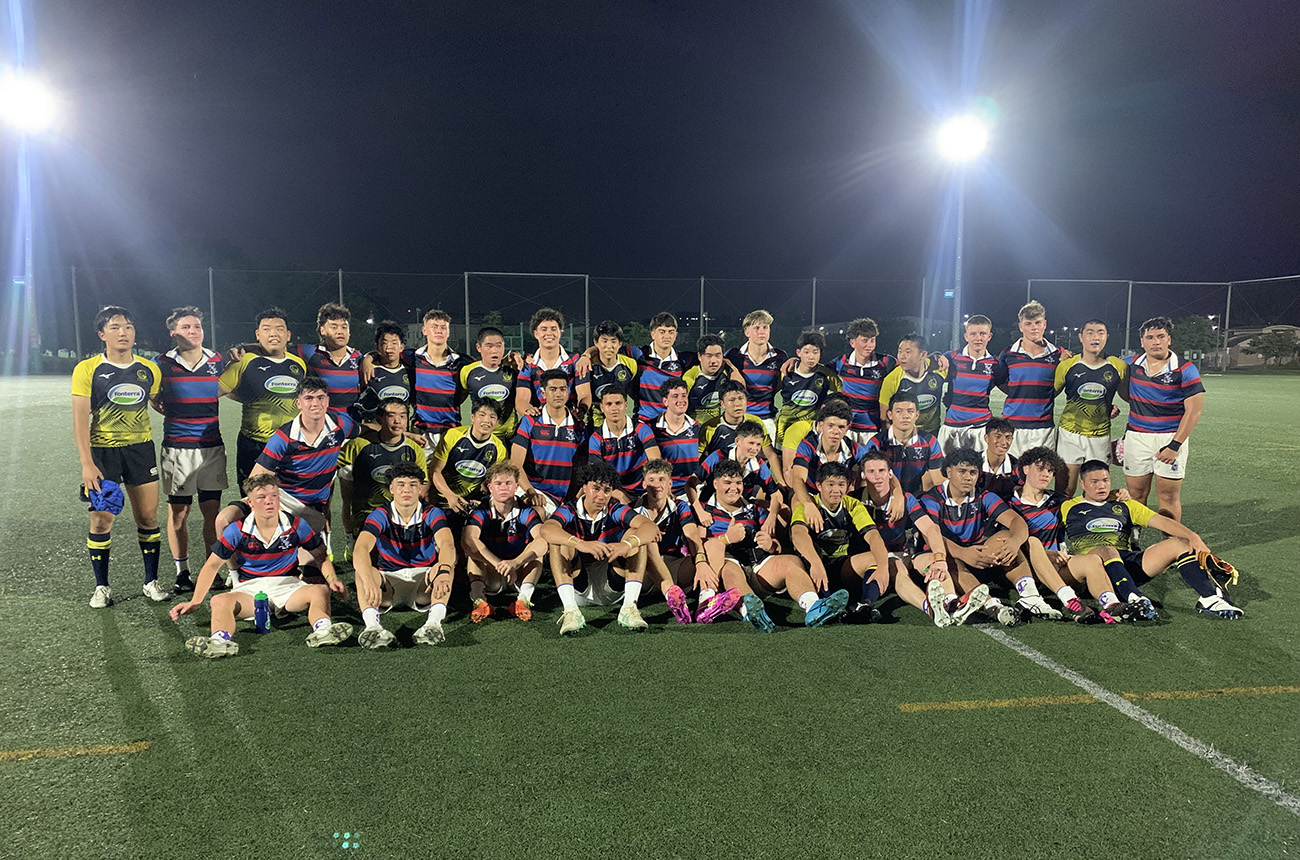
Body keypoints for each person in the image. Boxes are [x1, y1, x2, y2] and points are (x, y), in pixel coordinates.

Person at [170, 473, 352, 657]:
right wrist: (196, 601)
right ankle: (220, 641)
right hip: (250, 589)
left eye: (274, 496)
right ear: (250, 503)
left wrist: (332, 581)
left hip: (288, 586)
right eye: (262, 497)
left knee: (320, 590)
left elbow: (321, 556)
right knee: (219, 600)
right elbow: (212, 566)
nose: (269, 501)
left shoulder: (296, 524)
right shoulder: (237, 530)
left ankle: (323, 631)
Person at [1062, 459, 1242, 620]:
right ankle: (1134, 598)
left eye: (1105, 480)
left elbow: (1162, 521)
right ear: (1082, 484)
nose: (1101, 486)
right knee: (1106, 550)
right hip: (1091, 571)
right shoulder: (1067, 507)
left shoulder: (1124, 504)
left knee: (1180, 544)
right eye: (1094, 482)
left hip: (1124, 563)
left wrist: (1193, 537)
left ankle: (1209, 598)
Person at [73, 305, 167, 607]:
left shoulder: (149, 369)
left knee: (149, 517)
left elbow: (154, 401)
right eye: (115, 327)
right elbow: (79, 419)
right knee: (101, 521)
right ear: (102, 334)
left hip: (141, 450)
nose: (123, 332)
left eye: (127, 326)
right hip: (103, 453)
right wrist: (87, 464)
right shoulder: (88, 369)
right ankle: (102, 587)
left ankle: (151, 582)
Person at [701, 459, 849, 632]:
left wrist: (771, 544)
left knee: (790, 562)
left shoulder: (754, 508)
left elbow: (776, 545)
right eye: (727, 482)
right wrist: (726, 538)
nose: (733, 487)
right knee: (730, 571)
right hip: (726, 564)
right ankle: (752, 612)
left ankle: (813, 607)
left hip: (757, 565)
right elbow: (698, 547)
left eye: (738, 482)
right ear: (715, 483)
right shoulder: (704, 511)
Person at [917, 448, 1058, 625]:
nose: (968, 477)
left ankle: (1030, 596)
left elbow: (1016, 521)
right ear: (948, 472)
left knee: (1006, 537)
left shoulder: (983, 496)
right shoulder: (931, 499)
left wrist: (1014, 542)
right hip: (944, 559)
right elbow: (931, 535)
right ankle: (994, 607)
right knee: (952, 561)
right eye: (962, 471)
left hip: (978, 557)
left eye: (973, 472)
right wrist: (963, 552)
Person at [858, 449, 989, 627]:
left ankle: (952, 603)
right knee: (896, 566)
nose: (877, 477)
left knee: (931, 561)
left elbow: (930, 528)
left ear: (890, 474)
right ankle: (929, 608)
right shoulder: (855, 500)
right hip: (868, 560)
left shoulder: (905, 498)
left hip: (900, 555)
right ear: (863, 475)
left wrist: (939, 558)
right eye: (871, 472)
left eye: (881, 471)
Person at [538, 462, 661, 634]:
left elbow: (649, 527)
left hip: (612, 585)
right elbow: (546, 529)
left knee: (636, 536)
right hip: (578, 587)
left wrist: (626, 545)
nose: (601, 496)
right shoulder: (570, 509)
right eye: (596, 488)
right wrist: (580, 544)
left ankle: (629, 608)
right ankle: (570, 611)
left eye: (607, 490)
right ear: (584, 487)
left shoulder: (614, 509)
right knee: (558, 541)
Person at [154, 306, 226, 593]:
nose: (193, 331)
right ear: (173, 333)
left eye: (197, 326)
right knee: (179, 514)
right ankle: (182, 572)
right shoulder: (161, 362)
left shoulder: (217, 360)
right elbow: (152, 394)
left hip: (211, 447)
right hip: (177, 449)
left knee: (212, 512)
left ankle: (212, 571)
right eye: (186, 327)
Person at [250, 376, 360, 560]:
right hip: (284, 502)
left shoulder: (340, 425)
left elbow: (366, 430)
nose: (315, 403)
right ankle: (238, 572)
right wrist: (269, 508)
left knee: (310, 572)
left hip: (312, 511)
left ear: (327, 401)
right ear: (299, 403)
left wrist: (405, 434)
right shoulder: (284, 437)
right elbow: (256, 478)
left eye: (320, 397)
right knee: (225, 519)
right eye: (309, 398)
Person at [351, 462, 457, 648]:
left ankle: (433, 625)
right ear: (392, 488)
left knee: (445, 567)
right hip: (389, 583)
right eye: (400, 484)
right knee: (362, 572)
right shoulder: (380, 514)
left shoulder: (432, 512)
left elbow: (447, 543)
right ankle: (373, 628)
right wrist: (368, 580)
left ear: (420, 488)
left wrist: (444, 572)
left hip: (423, 583)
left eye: (413, 484)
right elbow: (360, 549)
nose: (406, 489)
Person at [1006, 447, 1105, 623]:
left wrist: (1115, 494)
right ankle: (1070, 600)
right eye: (1041, 469)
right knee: (1033, 541)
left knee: (1093, 560)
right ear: (1026, 469)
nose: (1046, 474)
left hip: (1057, 567)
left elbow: (1087, 504)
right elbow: (1008, 542)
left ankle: (1112, 606)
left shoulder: (1057, 500)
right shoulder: (1008, 503)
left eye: (1050, 471)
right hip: (1027, 569)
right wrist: (1047, 554)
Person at [634, 458, 739, 624]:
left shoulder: (680, 506)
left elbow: (691, 534)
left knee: (714, 544)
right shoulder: (634, 509)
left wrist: (701, 562)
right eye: (651, 480)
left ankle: (706, 602)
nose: (657, 485)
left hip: (674, 567)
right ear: (644, 484)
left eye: (661, 479)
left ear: (670, 484)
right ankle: (670, 594)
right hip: (644, 572)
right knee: (646, 543)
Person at [1120, 316, 1204, 521]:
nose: (1155, 341)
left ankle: (1171, 546)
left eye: (1160, 336)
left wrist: (1174, 446)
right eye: (1150, 337)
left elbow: (1194, 411)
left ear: (1169, 339)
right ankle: (1134, 543)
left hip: (1170, 437)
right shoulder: (1129, 364)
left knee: (1168, 496)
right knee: (1136, 495)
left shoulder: (1185, 369)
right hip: (1137, 437)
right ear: (1142, 342)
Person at [789, 463, 890, 621]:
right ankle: (827, 605)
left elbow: (873, 536)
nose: (836, 490)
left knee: (877, 557)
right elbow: (798, 535)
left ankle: (865, 606)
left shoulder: (852, 505)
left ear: (848, 486)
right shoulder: (808, 507)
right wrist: (816, 563)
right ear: (819, 486)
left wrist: (883, 567)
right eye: (830, 484)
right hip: (815, 566)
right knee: (804, 557)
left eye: (841, 484)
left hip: (842, 566)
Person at [218, 307, 307, 484]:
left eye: (279, 329)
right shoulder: (243, 362)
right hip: (254, 443)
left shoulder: (299, 364)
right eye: (266, 329)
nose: (273, 334)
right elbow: (216, 391)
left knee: (290, 498)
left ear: (288, 335)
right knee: (253, 499)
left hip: (290, 444)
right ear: (257, 334)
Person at [461, 461, 548, 623]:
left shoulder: (525, 510)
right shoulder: (481, 511)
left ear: (516, 487)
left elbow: (543, 541)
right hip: (493, 570)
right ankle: (480, 602)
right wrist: (499, 563)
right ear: (490, 488)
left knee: (537, 552)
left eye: (508, 483)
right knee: (473, 550)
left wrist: (515, 562)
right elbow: (468, 541)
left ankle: (523, 601)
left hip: (519, 569)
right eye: (498, 483)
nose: (503, 487)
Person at [337, 398, 428, 549]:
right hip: (365, 516)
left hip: (398, 515)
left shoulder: (414, 449)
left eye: (402, 416)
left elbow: (421, 485)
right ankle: (351, 541)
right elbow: (329, 465)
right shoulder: (358, 445)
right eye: (391, 416)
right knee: (366, 561)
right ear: (379, 419)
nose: (397, 421)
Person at [1055, 319, 1128, 496]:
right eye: (1090, 332)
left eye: (1100, 333)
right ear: (1081, 337)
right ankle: (1060, 523)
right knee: (1065, 489)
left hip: (1100, 436)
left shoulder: (1119, 366)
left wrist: (1109, 407)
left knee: (1097, 489)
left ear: (1107, 337)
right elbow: (1048, 395)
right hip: (1069, 434)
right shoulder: (1067, 365)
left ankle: (1088, 522)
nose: (1095, 337)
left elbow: (1129, 397)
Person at [992, 300, 1064, 457]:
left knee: (1039, 476)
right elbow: (1001, 381)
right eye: (1028, 323)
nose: (1034, 327)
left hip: (1043, 427)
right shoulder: (1008, 353)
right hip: (1012, 425)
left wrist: (1046, 394)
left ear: (1044, 324)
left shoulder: (1058, 354)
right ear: (1021, 326)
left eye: (1038, 322)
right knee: (1012, 477)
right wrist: (1017, 392)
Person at [511, 369, 583, 514]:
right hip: (533, 490)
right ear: (543, 393)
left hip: (561, 498)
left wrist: (574, 498)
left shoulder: (579, 426)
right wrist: (530, 492)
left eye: (562, 389)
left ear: (568, 391)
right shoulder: (530, 421)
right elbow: (515, 465)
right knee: (537, 514)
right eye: (553, 389)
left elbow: (581, 468)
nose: (558, 394)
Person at [697, 421, 782, 541]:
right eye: (751, 443)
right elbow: (690, 484)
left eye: (758, 445)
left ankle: (774, 547)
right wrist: (699, 510)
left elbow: (776, 494)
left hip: (742, 503)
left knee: (783, 513)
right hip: (712, 505)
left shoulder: (758, 464)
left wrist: (772, 517)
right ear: (737, 441)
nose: (755, 448)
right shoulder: (718, 456)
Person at [427, 399, 507, 526]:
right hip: (443, 502)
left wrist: (483, 502)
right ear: (472, 417)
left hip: (471, 504)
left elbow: (491, 483)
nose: (487, 421)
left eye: (492, 417)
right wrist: (449, 496)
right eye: (482, 415)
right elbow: (435, 471)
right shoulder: (452, 436)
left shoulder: (499, 448)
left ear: (497, 422)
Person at [788, 399, 865, 529]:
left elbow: (880, 467)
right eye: (830, 426)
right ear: (821, 425)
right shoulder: (807, 446)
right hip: (812, 493)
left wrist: (896, 493)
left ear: (847, 429)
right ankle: (800, 543)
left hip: (840, 494)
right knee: (797, 501)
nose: (835, 431)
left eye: (841, 427)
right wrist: (808, 504)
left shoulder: (854, 448)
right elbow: (798, 478)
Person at [776, 330, 843, 478]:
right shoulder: (786, 372)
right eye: (807, 352)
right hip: (785, 426)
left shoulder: (826, 375)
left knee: (810, 465)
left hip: (811, 427)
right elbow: (770, 392)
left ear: (821, 354)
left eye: (815, 352)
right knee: (785, 467)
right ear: (798, 352)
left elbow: (843, 392)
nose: (811, 356)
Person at [586, 384, 662, 500]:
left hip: (644, 489)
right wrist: (618, 494)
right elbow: (597, 476)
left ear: (626, 405)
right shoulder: (596, 439)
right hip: (614, 493)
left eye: (618, 403)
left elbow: (655, 461)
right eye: (608, 404)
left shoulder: (641, 429)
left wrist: (654, 488)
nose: (614, 408)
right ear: (602, 407)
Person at [515, 307, 591, 420]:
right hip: (540, 422)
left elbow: (584, 394)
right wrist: (528, 410)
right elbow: (521, 399)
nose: (549, 333)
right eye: (544, 329)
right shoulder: (527, 365)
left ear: (560, 333)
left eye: (553, 329)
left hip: (569, 421)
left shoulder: (575, 361)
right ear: (536, 334)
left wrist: (582, 409)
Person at [832, 317, 898, 446]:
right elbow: (816, 369)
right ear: (853, 343)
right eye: (865, 340)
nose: (870, 345)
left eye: (873, 340)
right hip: (848, 427)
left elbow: (909, 365)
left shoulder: (885, 362)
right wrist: (794, 360)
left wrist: (934, 357)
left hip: (873, 429)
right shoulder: (842, 362)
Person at [725, 309, 787, 446]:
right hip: (741, 418)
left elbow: (780, 384)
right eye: (757, 328)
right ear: (747, 332)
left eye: (765, 327)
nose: (762, 331)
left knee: (765, 462)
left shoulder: (779, 357)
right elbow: (721, 363)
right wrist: (732, 368)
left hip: (767, 419)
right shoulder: (734, 355)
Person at [938, 314, 998, 454]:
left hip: (981, 427)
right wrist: (936, 355)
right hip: (952, 426)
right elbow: (929, 364)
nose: (978, 338)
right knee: (946, 471)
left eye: (983, 333)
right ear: (966, 336)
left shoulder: (995, 363)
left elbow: (1007, 386)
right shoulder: (951, 357)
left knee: (977, 472)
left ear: (989, 336)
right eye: (973, 334)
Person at [865, 392, 944, 498]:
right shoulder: (876, 443)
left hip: (916, 498)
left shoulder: (930, 442)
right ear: (890, 415)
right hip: (884, 498)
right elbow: (868, 481)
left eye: (910, 411)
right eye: (899, 411)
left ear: (917, 415)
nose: (905, 416)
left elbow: (938, 481)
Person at [699, 379, 781, 479]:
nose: (737, 404)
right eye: (732, 400)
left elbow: (770, 454)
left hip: (748, 478)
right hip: (720, 480)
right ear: (722, 404)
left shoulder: (756, 422)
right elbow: (697, 458)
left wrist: (781, 482)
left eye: (741, 398)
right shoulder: (710, 427)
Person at [293, 302, 362, 419]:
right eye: (334, 327)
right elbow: (276, 349)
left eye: (344, 327)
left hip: (353, 420)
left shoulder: (358, 357)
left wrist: (369, 358)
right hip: (321, 422)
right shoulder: (309, 352)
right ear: (322, 330)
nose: (340, 331)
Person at [459, 325, 523, 443]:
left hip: (509, 435)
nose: (494, 351)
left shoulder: (513, 369)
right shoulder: (467, 371)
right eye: (489, 346)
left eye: (499, 346)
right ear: (479, 347)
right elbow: (459, 399)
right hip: (482, 435)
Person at [879, 333, 947, 436]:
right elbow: (884, 418)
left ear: (923, 355)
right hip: (904, 435)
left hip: (932, 434)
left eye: (908, 352)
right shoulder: (892, 379)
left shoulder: (939, 368)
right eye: (900, 351)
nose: (902, 356)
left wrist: (938, 355)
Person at [648, 377, 701, 496]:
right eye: (675, 396)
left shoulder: (697, 427)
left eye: (684, 395)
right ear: (665, 401)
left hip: (692, 490)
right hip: (662, 491)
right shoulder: (651, 429)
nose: (681, 400)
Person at [354, 321, 414, 419]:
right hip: (374, 430)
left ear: (401, 347)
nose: (389, 347)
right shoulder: (367, 370)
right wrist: (366, 359)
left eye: (394, 343)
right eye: (384, 343)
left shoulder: (410, 372)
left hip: (402, 430)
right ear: (377, 347)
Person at [585, 320, 639, 427]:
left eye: (613, 341)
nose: (609, 346)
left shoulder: (630, 365)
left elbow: (634, 393)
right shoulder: (588, 366)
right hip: (594, 425)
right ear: (596, 343)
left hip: (620, 424)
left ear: (620, 344)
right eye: (604, 341)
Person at [683, 333, 736, 425]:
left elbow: (741, 387)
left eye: (718, 355)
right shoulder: (691, 375)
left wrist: (731, 367)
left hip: (718, 426)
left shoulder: (726, 372)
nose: (713, 361)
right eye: (709, 356)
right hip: (695, 428)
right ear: (700, 356)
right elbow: (679, 402)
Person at [978, 417, 1021, 500]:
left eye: (1008, 437)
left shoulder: (1017, 467)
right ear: (986, 438)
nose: (1003, 442)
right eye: (998, 436)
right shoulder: (973, 464)